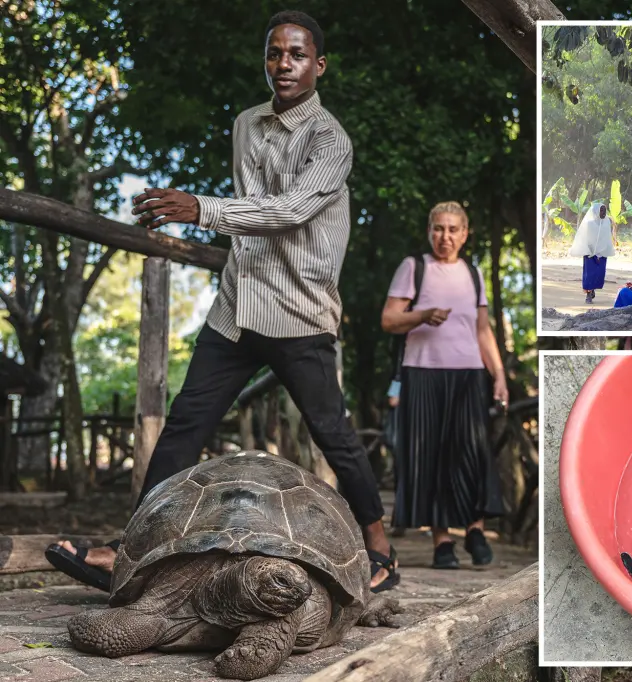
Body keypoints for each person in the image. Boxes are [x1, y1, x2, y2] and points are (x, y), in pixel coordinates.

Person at [44, 10, 400, 594]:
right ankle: (131, 548)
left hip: (299, 312)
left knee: (332, 433)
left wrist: (201, 209)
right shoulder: (245, 124)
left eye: (297, 55)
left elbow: (288, 211)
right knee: (186, 424)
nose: (283, 64)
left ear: (320, 65)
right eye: (274, 54)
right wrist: (214, 220)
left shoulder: (332, 141)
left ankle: (380, 549)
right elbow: (253, 207)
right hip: (238, 304)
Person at [380, 201, 508, 570]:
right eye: (438, 228)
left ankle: (475, 530)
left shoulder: (473, 272)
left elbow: (483, 330)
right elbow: (389, 320)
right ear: (429, 231)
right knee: (432, 456)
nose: (445, 236)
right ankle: (442, 543)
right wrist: (421, 315)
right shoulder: (413, 268)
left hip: (469, 374)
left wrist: (498, 375)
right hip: (422, 373)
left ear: (465, 234)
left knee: (472, 452)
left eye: (453, 229)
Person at [569, 202, 616, 304]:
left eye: (604, 210)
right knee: (589, 275)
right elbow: (586, 238)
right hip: (590, 252)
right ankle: (588, 295)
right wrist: (592, 251)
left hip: (602, 252)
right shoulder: (589, 224)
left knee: (598, 274)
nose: (603, 213)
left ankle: (593, 289)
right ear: (596, 211)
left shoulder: (607, 222)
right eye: (601, 210)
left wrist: (601, 251)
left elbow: (607, 237)